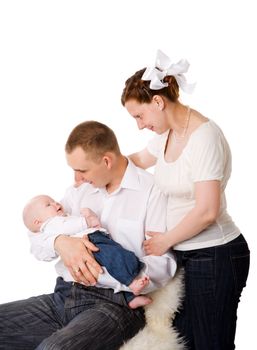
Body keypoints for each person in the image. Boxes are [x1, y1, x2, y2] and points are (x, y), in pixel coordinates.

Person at [0, 120, 177, 350]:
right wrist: (60, 242)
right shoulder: (79, 192)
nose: (77, 178)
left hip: (113, 305)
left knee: (53, 349)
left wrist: (129, 284)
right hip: (63, 298)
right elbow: (38, 235)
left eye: (82, 170)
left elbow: (164, 264)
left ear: (106, 160)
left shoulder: (151, 191)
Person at [121, 49, 250, 350]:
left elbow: (207, 210)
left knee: (210, 343)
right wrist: (99, 165)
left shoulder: (204, 136)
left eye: (139, 116)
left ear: (157, 101)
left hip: (216, 255)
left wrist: (165, 240)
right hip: (184, 255)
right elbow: (137, 160)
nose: (139, 125)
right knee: (182, 342)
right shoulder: (167, 133)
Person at [23, 193, 152, 309]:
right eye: (48, 205)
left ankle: (129, 298)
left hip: (95, 240)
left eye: (54, 201)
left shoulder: (64, 216)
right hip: (90, 243)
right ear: (38, 222)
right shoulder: (51, 224)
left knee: (109, 272)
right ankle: (132, 283)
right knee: (114, 259)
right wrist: (87, 220)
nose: (55, 203)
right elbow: (68, 227)